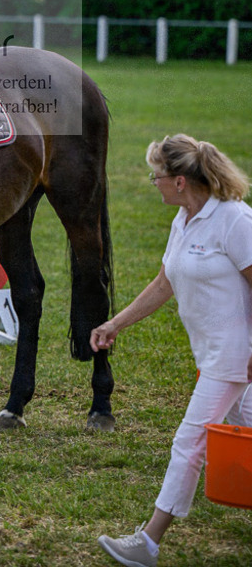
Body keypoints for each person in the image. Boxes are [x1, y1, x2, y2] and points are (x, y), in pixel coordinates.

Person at [91, 134, 252, 567]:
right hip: (214, 355)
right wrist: (114, 323)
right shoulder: (184, 220)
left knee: (189, 442)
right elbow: (165, 283)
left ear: (180, 181)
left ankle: (148, 541)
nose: (153, 182)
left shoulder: (235, 221)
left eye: (156, 175)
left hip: (235, 358)